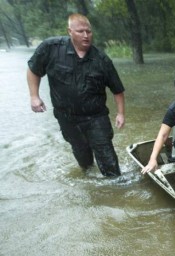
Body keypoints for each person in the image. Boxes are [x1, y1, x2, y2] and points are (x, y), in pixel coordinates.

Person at [27, 13, 125, 177]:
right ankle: (92, 187)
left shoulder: (102, 60)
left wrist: (121, 113)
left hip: (96, 117)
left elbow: (118, 90)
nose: (86, 35)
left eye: (89, 31)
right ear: (70, 31)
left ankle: (117, 190)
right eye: (80, 31)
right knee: (84, 162)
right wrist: (34, 96)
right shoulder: (51, 48)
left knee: (109, 162)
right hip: (67, 118)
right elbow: (33, 70)